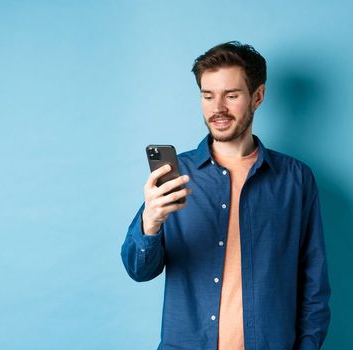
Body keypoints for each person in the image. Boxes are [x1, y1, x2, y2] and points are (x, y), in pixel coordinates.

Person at [120, 41, 331, 349]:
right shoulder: (174, 174)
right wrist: (150, 223)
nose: (217, 108)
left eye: (231, 95)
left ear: (257, 96)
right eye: (208, 96)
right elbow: (138, 271)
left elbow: (314, 282)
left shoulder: (295, 179)